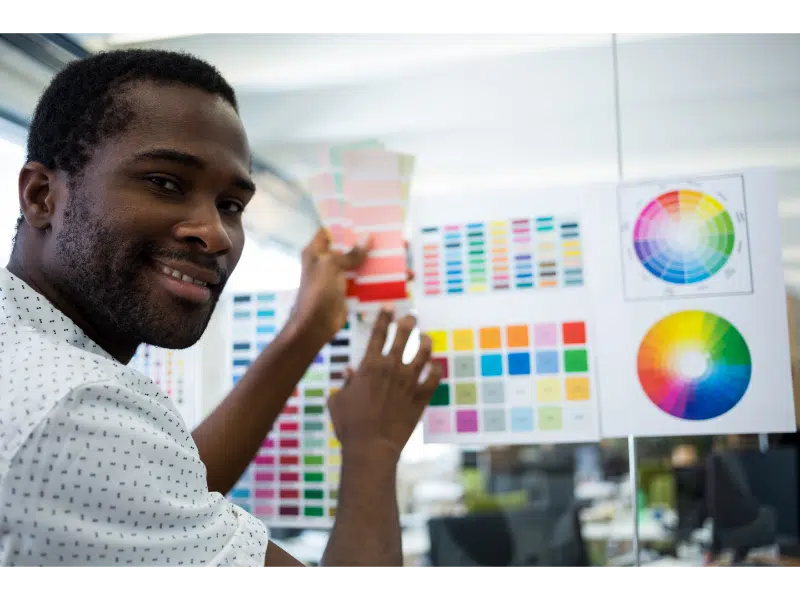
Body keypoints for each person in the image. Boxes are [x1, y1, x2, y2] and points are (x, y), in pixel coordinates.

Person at [0, 48, 442, 568]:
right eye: (164, 182)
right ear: (40, 196)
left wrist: (307, 331)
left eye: (230, 205)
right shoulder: (70, 402)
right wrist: (375, 443)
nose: (214, 233)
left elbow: (148, 490)